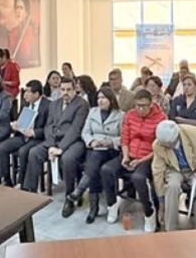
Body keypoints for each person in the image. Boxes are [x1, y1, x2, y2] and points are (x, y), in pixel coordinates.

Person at [102, 89, 165, 232]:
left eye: (144, 106)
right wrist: (125, 156)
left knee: (138, 178)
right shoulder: (130, 115)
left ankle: (149, 213)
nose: (140, 109)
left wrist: (141, 161)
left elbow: (160, 147)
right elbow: (125, 139)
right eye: (138, 106)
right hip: (129, 153)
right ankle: (112, 205)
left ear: (151, 104)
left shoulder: (161, 118)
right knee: (106, 170)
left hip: (149, 156)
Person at [22, 77, 89, 204]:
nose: (65, 93)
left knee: (67, 158)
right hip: (53, 140)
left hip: (74, 142)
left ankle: (69, 197)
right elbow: (48, 126)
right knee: (34, 152)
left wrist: (60, 148)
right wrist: (52, 144)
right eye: (62, 89)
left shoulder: (82, 104)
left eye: (69, 89)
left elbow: (75, 129)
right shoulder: (54, 104)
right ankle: (30, 191)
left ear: (75, 90)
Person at [66, 87, 125, 223]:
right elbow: (85, 132)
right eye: (98, 98)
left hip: (111, 150)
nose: (100, 100)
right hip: (94, 148)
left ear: (111, 99)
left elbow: (124, 137)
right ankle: (92, 206)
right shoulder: (92, 112)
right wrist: (91, 141)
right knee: (94, 164)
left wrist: (110, 141)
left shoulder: (121, 115)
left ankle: (82, 194)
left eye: (103, 98)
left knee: (93, 161)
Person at [152, 120, 196, 233]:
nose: (164, 146)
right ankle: (170, 229)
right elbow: (158, 172)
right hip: (174, 169)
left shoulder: (195, 133)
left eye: (167, 145)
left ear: (175, 138)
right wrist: (161, 201)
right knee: (172, 187)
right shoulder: (158, 145)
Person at [0, 80, 49, 187]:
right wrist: (16, 125)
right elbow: (21, 120)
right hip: (22, 135)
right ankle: (6, 179)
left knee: (23, 151)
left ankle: (22, 183)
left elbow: (49, 128)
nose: (25, 95)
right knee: (2, 148)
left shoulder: (48, 105)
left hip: (37, 138)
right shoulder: (26, 103)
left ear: (36, 94)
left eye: (28, 92)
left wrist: (34, 132)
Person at [8, 0, 39, 67]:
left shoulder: (31, 30)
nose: (18, 11)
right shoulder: (13, 31)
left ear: (26, 12)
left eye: (21, 8)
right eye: (16, 7)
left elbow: (26, 52)